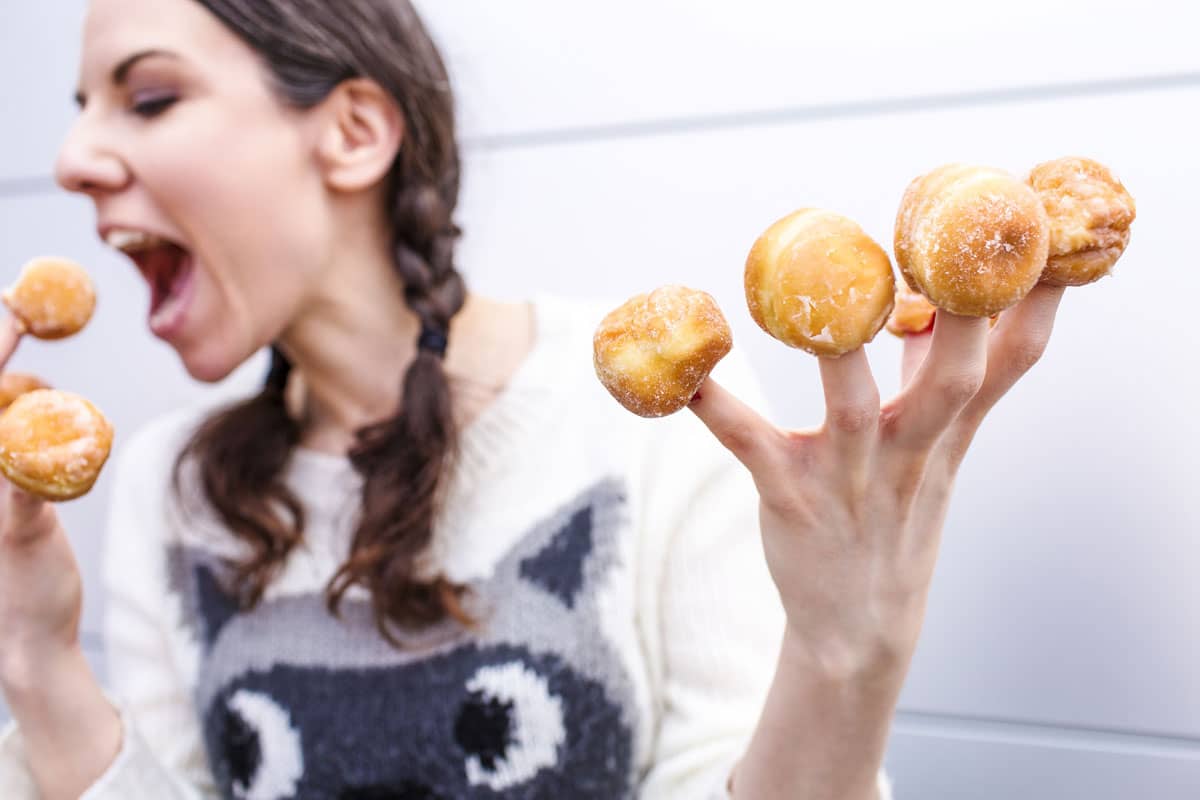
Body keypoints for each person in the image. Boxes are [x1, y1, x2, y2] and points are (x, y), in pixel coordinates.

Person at [0, 0, 1066, 798]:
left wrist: (847, 654)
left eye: (148, 98)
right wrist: (36, 655)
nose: (72, 159)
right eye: (82, 109)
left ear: (355, 131)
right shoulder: (168, 480)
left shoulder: (664, 408)